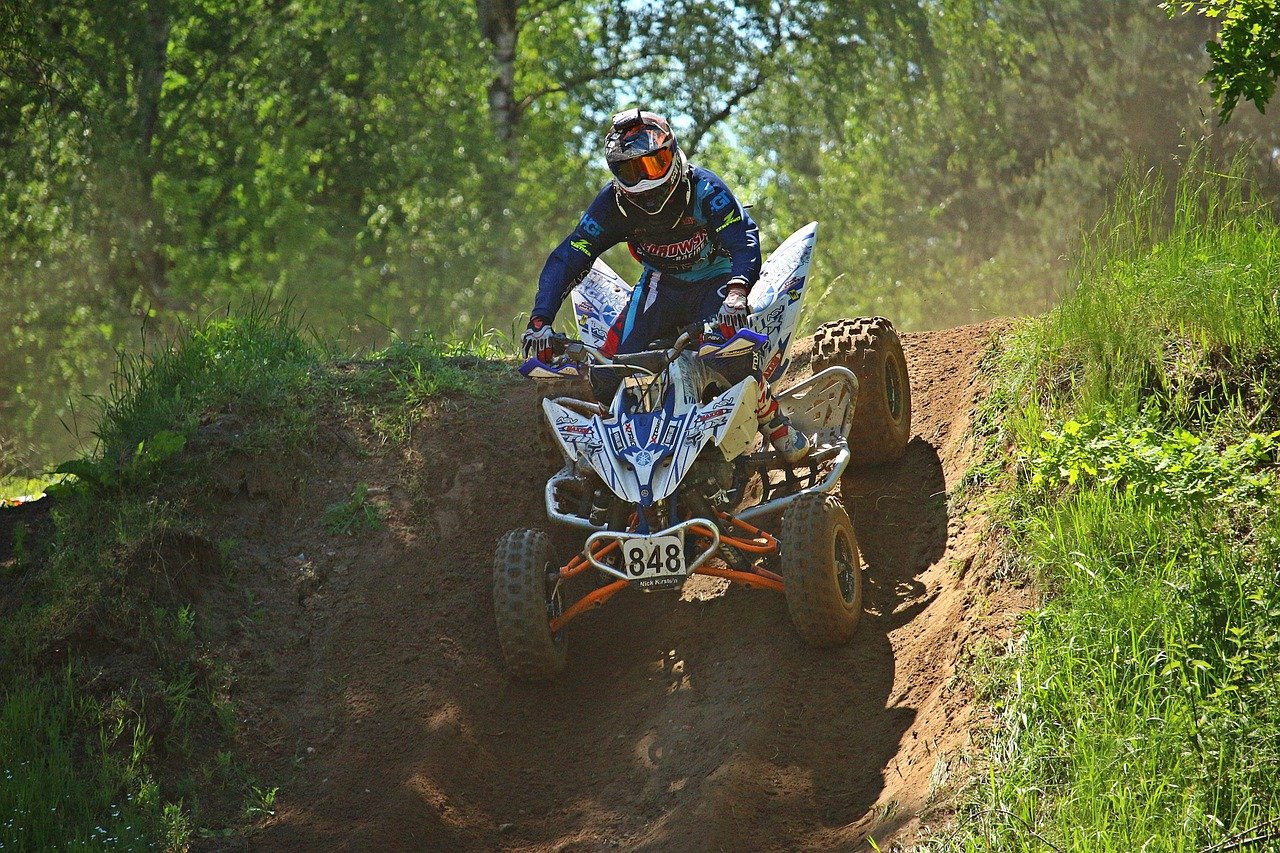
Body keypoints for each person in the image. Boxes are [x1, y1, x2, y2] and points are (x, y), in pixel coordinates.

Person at [521, 108, 808, 462]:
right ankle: (615, 455)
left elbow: (743, 237)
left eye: (653, 164)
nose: (642, 180)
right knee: (612, 373)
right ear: (615, 173)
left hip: (715, 278)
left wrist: (736, 294)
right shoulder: (612, 204)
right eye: (629, 169)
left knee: (731, 357)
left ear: (671, 154)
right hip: (662, 283)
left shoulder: (703, 188)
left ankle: (777, 427)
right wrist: (540, 321)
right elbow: (570, 254)